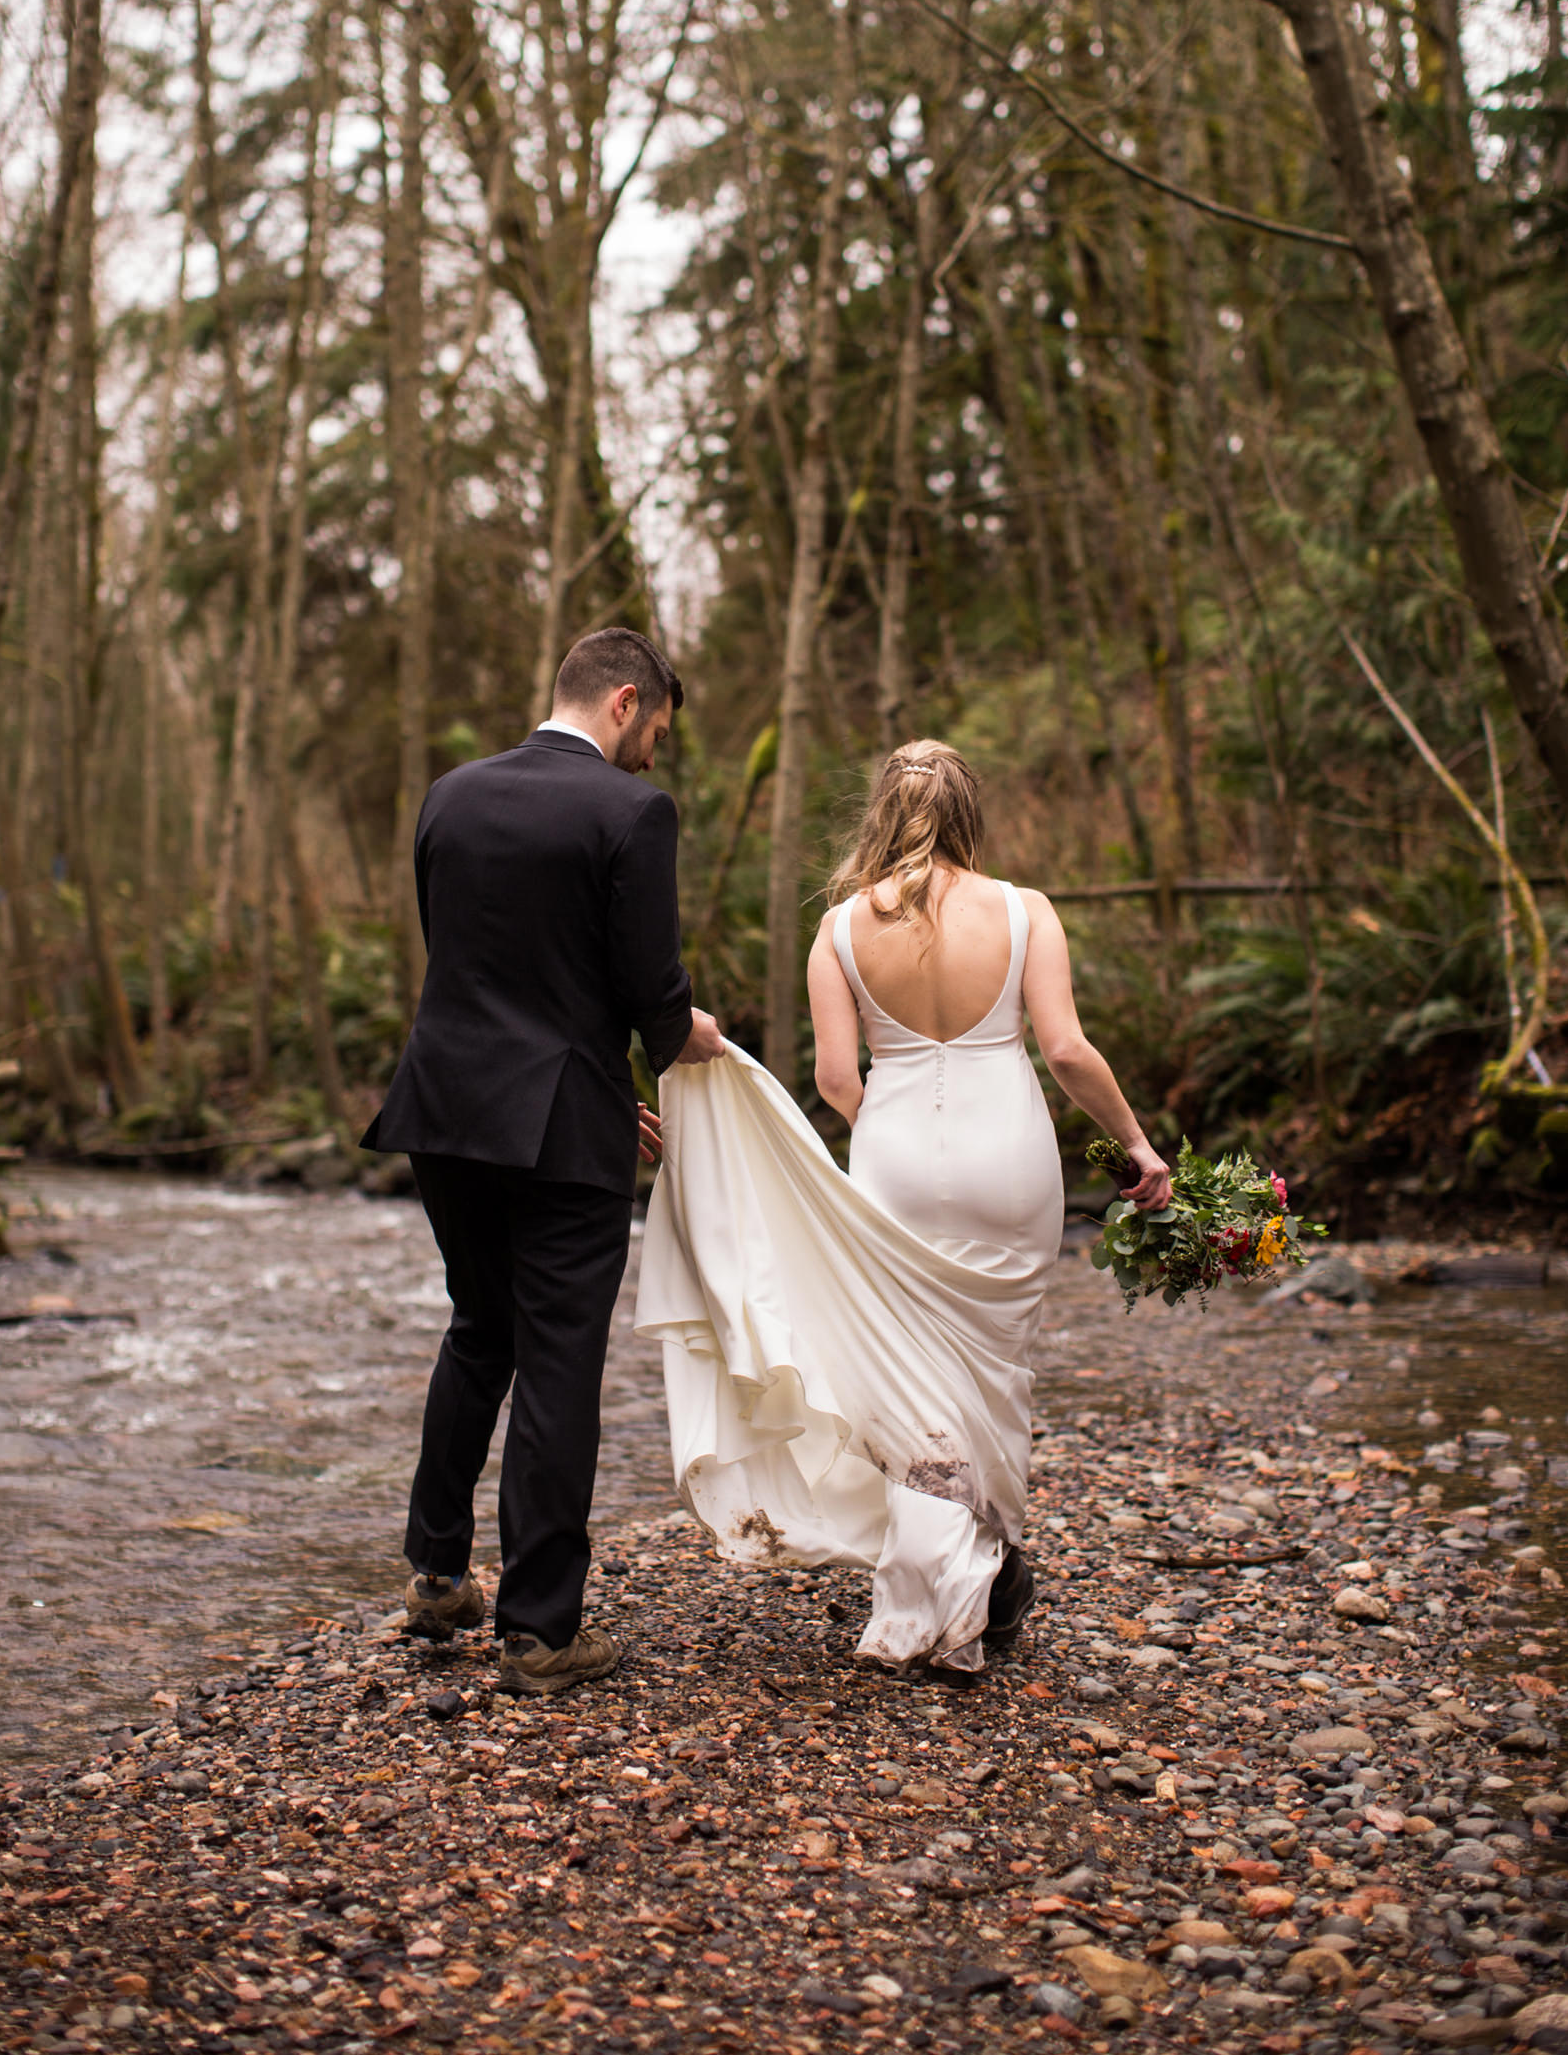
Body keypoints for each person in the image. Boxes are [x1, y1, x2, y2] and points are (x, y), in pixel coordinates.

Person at [638, 739, 1168, 1674]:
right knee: (995, 1368)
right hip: (1008, 1151)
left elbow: (837, 1079)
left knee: (914, 1374)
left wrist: (888, 1121)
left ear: (880, 812)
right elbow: (1069, 1050)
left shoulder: (839, 929)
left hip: (893, 1155)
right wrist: (1135, 1142)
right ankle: (977, 1576)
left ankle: (937, 1587)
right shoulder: (1025, 911)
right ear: (970, 812)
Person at [363, 627, 725, 1695]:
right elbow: (646, 982)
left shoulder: (449, 795)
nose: (654, 754)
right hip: (559, 1130)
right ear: (624, 701)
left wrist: (602, 1086)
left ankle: (435, 1575)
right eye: (655, 729)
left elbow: (475, 962)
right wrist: (683, 1039)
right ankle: (538, 1629)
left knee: (480, 1329)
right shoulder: (630, 812)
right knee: (559, 1359)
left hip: (442, 1108)